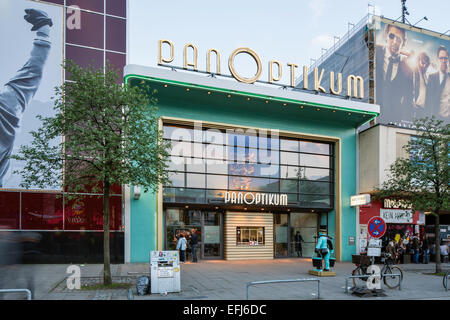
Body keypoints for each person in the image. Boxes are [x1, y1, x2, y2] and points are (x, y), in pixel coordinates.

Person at [0, 9, 53, 187]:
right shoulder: (6, 108)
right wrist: (43, 30)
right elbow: (32, 71)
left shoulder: (5, 108)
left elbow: (31, 72)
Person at [375, 24, 413, 122]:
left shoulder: (408, 70)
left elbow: (408, 102)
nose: (395, 42)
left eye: (399, 39)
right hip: (372, 117)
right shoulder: (374, 52)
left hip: (395, 121)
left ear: (404, 42)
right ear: (386, 36)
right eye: (392, 36)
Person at [426, 46, 449, 120]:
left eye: (445, 58)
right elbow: (428, 101)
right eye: (441, 58)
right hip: (435, 119)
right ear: (437, 59)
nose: (443, 61)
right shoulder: (432, 77)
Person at [412, 52, 431, 118]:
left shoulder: (425, 75)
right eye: (423, 63)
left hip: (423, 110)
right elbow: (408, 87)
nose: (424, 66)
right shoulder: (414, 72)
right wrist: (412, 102)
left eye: (426, 64)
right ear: (418, 61)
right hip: (416, 107)